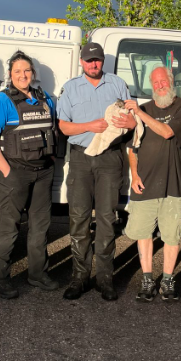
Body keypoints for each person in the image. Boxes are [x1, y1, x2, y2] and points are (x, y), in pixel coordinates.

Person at [58, 42, 136, 301]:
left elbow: (131, 116)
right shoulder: (70, 88)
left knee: (106, 219)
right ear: (82, 61)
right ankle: (79, 277)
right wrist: (89, 125)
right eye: (89, 60)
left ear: (103, 61)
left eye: (98, 60)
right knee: (78, 218)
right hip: (81, 159)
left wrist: (129, 122)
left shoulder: (117, 84)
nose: (94, 64)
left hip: (110, 159)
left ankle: (105, 279)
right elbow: (64, 128)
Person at [0, 50, 59, 299]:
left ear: (33, 73)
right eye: (17, 71)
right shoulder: (0, 102)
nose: (23, 75)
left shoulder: (45, 98)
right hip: (14, 174)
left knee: (40, 226)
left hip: (43, 173)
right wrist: (5, 171)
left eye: (27, 70)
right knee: (8, 228)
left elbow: (53, 130)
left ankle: (37, 274)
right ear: (10, 75)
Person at [123, 67, 181, 302]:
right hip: (145, 183)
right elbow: (132, 148)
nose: (160, 85)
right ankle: (146, 279)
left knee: (171, 234)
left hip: (174, 183)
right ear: (150, 85)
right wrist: (134, 175)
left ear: (171, 82)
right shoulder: (143, 109)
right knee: (143, 233)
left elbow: (166, 132)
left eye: (164, 81)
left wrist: (139, 114)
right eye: (156, 82)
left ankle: (167, 279)